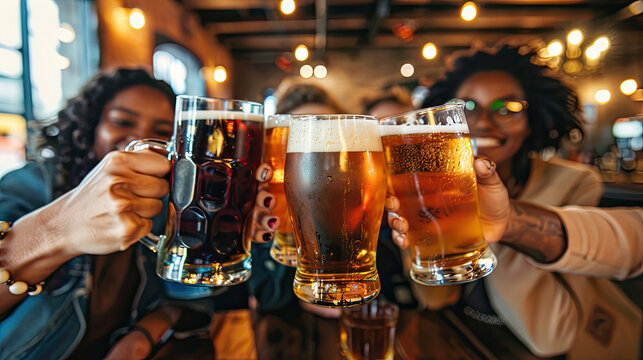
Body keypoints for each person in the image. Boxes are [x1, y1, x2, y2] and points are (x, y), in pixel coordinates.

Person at [0, 68, 278, 359]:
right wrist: (59, 227)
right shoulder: (33, 184)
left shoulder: (169, 205)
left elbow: (188, 299)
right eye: (122, 121)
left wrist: (143, 334)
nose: (138, 138)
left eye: (160, 131)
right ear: (91, 126)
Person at [386, 45, 641, 358]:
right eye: (466, 106)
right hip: (475, 345)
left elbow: (549, 336)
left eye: (507, 107)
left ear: (531, 121)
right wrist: (424, 229)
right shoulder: (430, 190)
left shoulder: (574, 182)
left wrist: (504, 218)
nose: (484, 122)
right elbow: (437, 297)